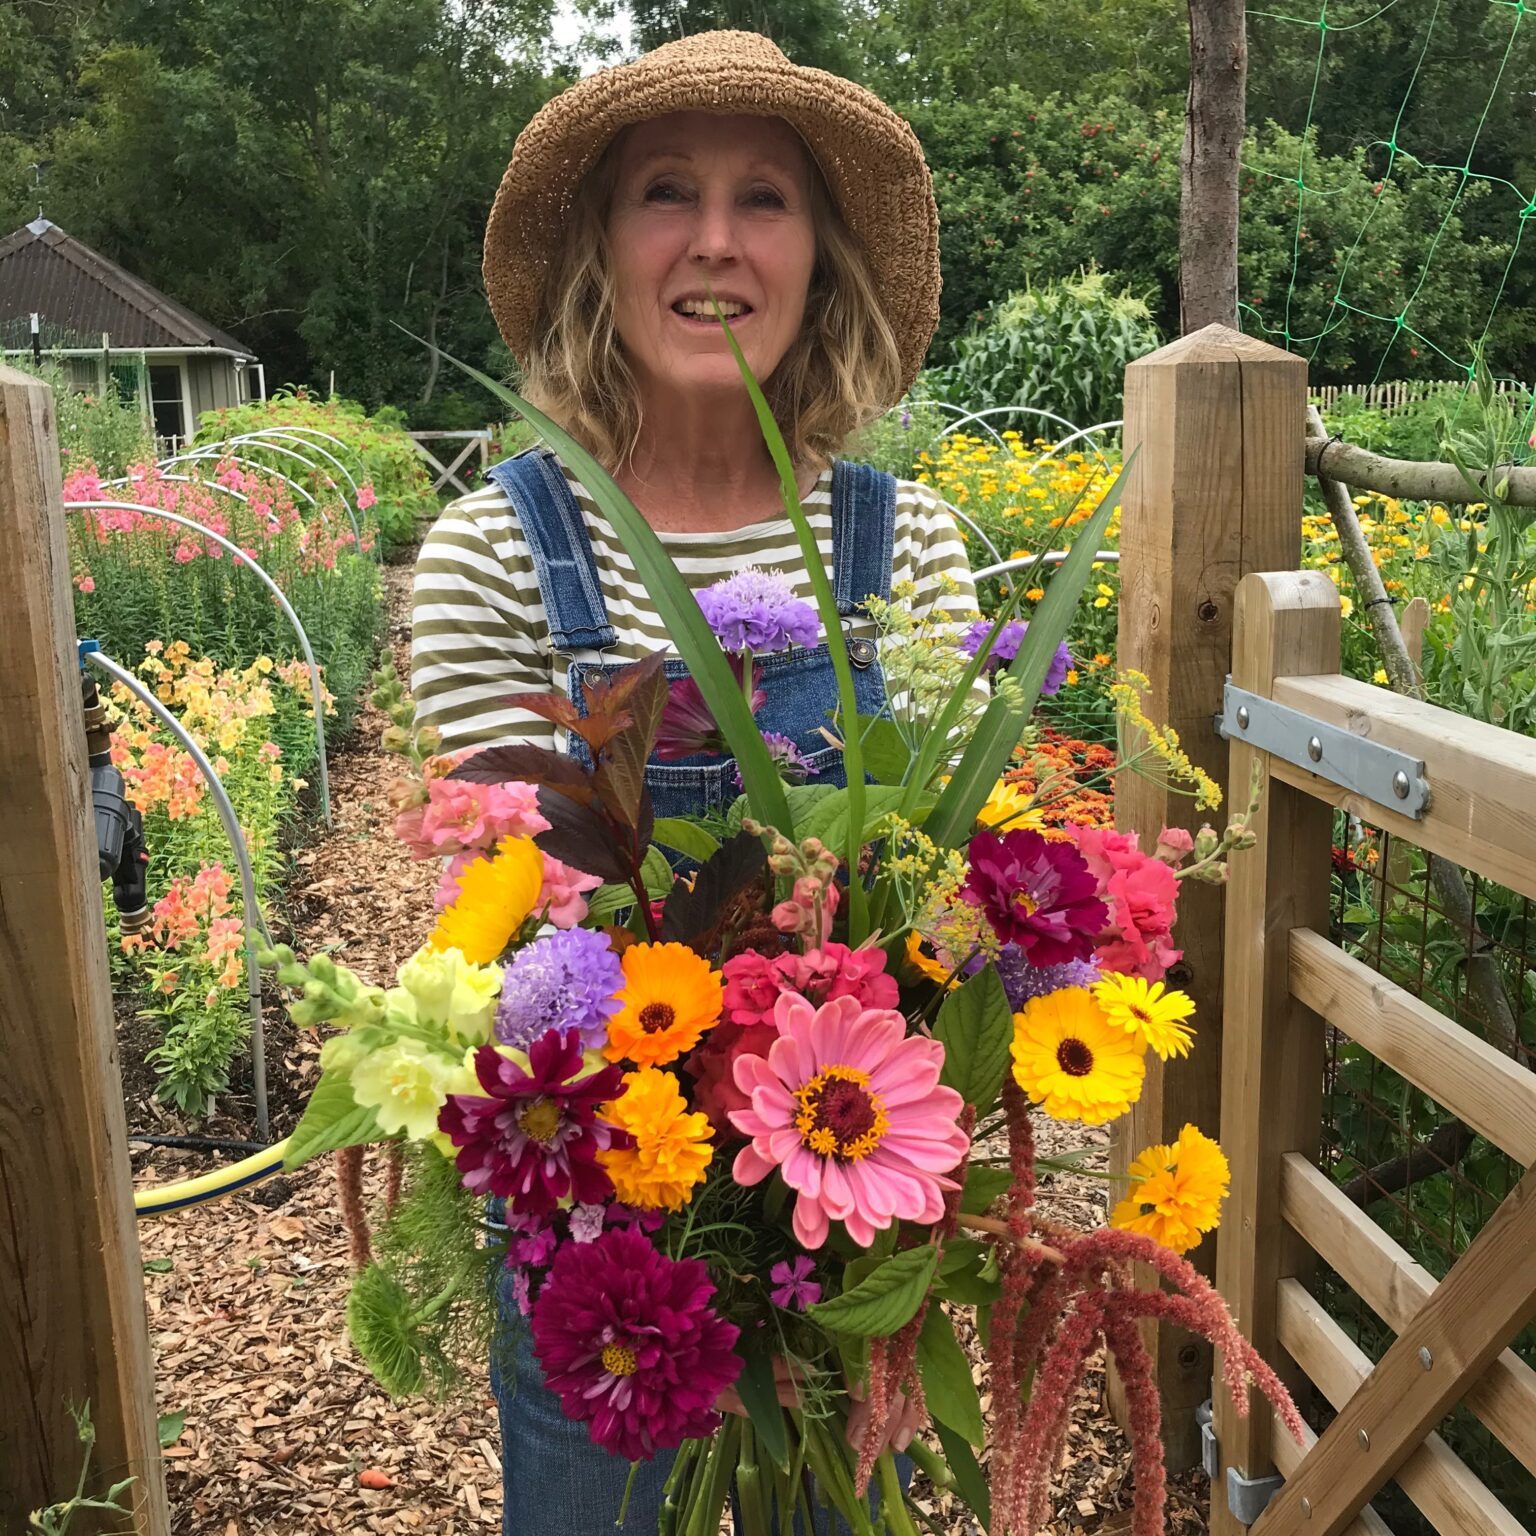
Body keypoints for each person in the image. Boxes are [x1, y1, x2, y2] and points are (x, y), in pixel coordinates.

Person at [410, 29, 978, 1534]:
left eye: (766, 200)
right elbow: (508, 894)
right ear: (601, 241)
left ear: (822, 253)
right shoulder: (499, 551)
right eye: (667, 191)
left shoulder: (901, 548)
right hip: (599, 1189)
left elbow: (945, 889)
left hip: (835, 1195)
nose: (716, 242)